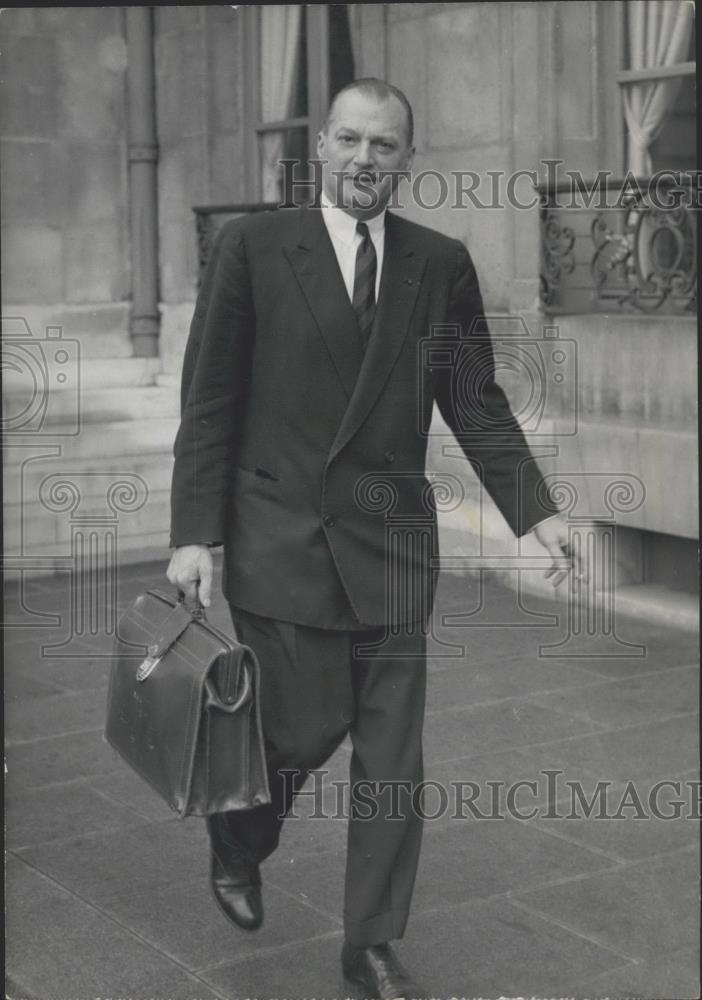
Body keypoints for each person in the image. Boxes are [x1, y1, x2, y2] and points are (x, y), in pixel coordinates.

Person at [168, 77, 583, 1000]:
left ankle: (371, 944)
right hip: (282, 540)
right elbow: (211, 402)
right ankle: (240, 834)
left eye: (384, 146)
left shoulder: (438, 263)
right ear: (322, 145)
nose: (364, 161)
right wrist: (195, 533)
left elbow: (474, 400)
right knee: (302, 728)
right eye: (350, 142)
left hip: (392, 551)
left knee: (394, 759)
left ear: (406, 157)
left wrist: (538, 510)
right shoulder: (254, 247)